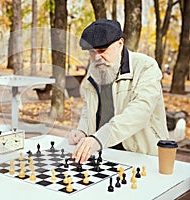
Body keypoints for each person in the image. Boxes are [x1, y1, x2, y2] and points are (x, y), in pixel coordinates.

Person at [68, 19, 169, 163]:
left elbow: (140, 111)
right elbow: (89, 107)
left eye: (102, 51)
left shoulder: (146, 66)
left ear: (120, 44)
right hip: (104, 153)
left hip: (142, 156)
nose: (97, 58)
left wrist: (98, 138)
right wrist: (82, 130)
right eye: (92, 52)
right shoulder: (94, 71)